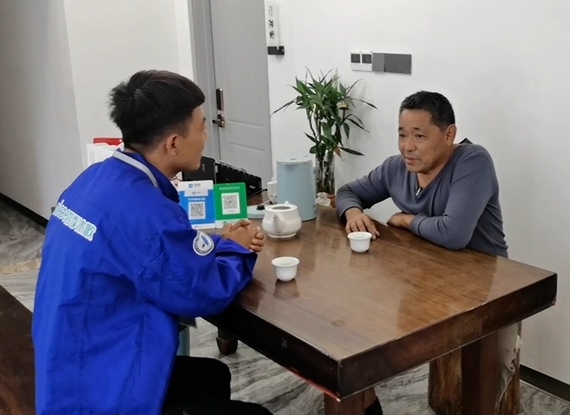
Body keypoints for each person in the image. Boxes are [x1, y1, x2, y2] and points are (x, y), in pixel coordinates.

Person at [32, 70, 273, 415]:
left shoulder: (96, 179)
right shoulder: (148, 212)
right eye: (201, 127)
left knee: (211, 376)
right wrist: (238, 248)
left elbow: (156, 255)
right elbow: (202, 292)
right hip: (103, 393)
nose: (206, 136)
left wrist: (220, 243)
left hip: (71, 365)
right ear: (173, 143)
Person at [336, 90, 514, 413]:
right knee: (355, 330)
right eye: (402, 134)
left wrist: (406, 219)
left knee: (487, 386)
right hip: (432, 281)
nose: (407, 146)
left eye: (419, 136)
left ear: (449, 134)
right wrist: (353, 212)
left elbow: (454, 233)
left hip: (488, 288)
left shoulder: (473, 161)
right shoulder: (396, 168)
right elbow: (348, 192)